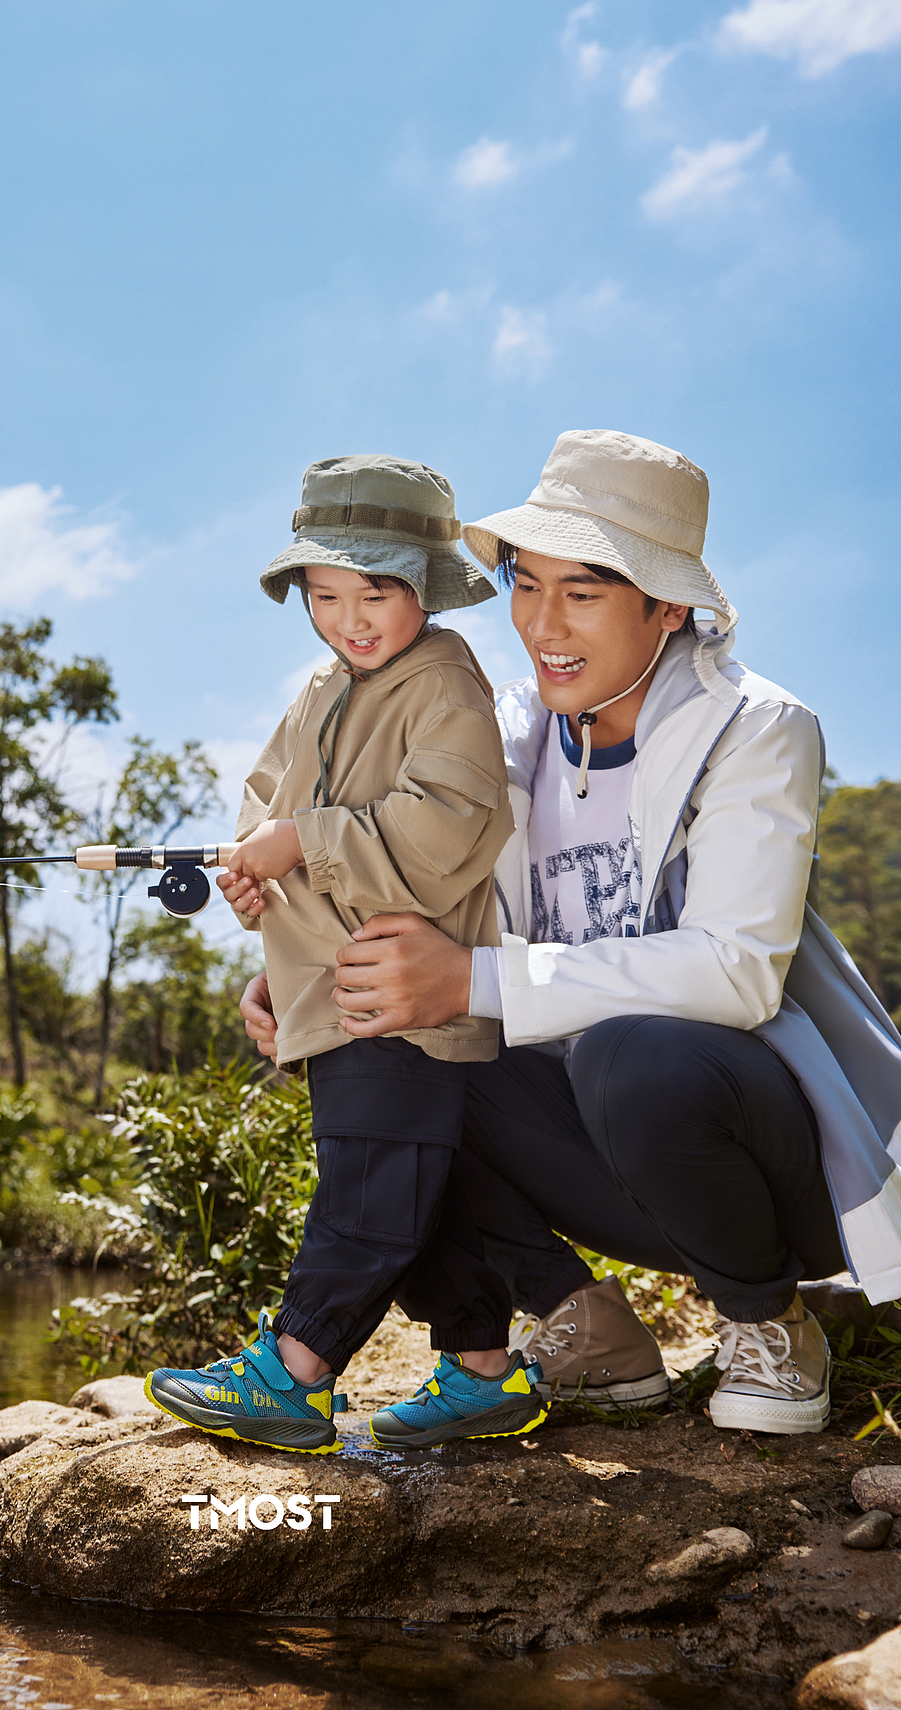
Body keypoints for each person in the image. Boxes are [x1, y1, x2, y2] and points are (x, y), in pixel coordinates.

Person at [238, 430, 901, 1437]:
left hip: (772, 1160)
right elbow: (400, 880)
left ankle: (765, 1321)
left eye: (582, 593)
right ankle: (583, 1327)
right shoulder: (497, 726)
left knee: (637, 1054)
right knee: (399, 1054)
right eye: (525, 584)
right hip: (597, 1155)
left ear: (666, 606)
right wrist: (312, 981)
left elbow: (735, 974)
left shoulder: (754, 727)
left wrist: (471, 981)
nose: (541, 625)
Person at [143, 453, 550, 1454]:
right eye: (325, 594)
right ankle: (483, 1374)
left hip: (402, 998)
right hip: (335, 995)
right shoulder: (320, 686)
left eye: (375, 591)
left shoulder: (446, 683)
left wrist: (305, 842)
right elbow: (264, 802)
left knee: (366, 1191)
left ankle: (295, 1372)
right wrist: (257, 874)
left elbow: (448, 826)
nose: (349, 616)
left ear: (424, 585)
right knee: (428, 1192)